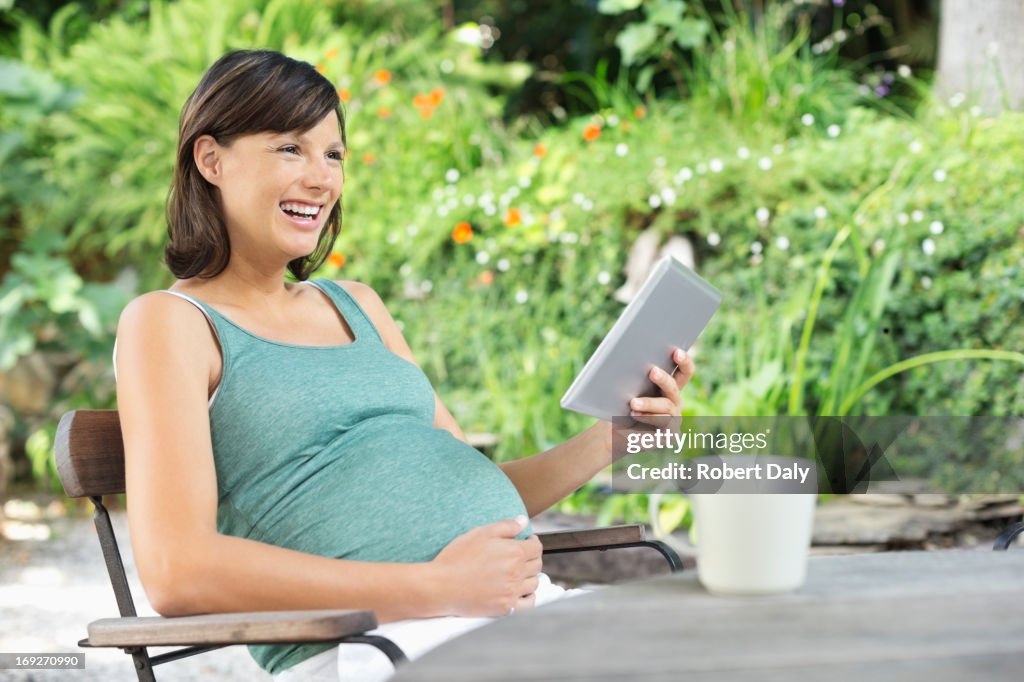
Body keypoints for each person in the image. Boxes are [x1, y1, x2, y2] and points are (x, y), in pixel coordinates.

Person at [112, 49, 696, 681]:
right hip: (377, 644)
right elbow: (177, 571)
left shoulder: (357, 305)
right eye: (290, 149)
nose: (321, 178)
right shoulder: (170, 324)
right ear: (211, 160)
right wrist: (439, 587)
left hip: (501, 616)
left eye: (333, 155)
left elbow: (475, 487)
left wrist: (613, 439)